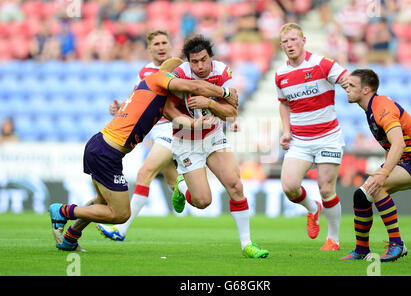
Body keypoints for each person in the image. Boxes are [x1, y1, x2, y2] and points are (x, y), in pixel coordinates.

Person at [48, 57, 238, 251]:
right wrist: (225, 92)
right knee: (120, 214)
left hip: (102, 147)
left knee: (101, 202)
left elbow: (177, 118)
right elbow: (193, 86)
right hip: (106, 152)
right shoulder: (159, 78)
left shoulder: (159, 97)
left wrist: (197, 124)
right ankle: (62, 211)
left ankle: (71, 237)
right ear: (173, 75)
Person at [165, 35, 269, 259]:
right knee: (203, 201)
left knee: (236, 186)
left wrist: (209, 102)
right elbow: (167, 110)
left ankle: (247, 244)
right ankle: (181, 187)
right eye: (195, 62)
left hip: (213, 136)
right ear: (188, 62)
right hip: (186, 139)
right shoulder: (180, 74)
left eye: (204, 60)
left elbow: (232, 113)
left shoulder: (222, 72)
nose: (200, 66)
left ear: (211, 57)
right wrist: (190, 123)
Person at [340, 69, 411, 262]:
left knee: (378, 186)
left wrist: (384, 172)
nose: (346, 89)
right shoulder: (371, 109)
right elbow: (390, 145)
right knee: (361, 196)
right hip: (405, 160)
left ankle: (397, 244)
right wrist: (386, 167)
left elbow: (399, 143)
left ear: (366, 89)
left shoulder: (382, 107)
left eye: (351, 86)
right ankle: (361, 250)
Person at [97, 29, 178, 241]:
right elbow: (137, 99)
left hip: (172, 128)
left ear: (170, 45)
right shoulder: (144, 72)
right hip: (155, 131)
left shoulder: (179, 69)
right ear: (149, 48)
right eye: (156, 44)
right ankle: (189, 190)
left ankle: (121, 229)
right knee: (176, 186)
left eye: (164, 42)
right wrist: (120, 109)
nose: (161, 47)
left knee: (144, 174)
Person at [275, 23, 349, 251]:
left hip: (328, 137)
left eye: (293, 40)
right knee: (289, 187)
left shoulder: (322, 64)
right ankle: (312, 208)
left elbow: (347, 80)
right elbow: (284, 104)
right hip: (301, 140)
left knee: (327, 188)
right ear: (281, 46)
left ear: (303, 40)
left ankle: (333, 239)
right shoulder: (280, 75)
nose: (290, 45)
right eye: (285, 42)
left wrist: (351, 86)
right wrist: (286, 131)